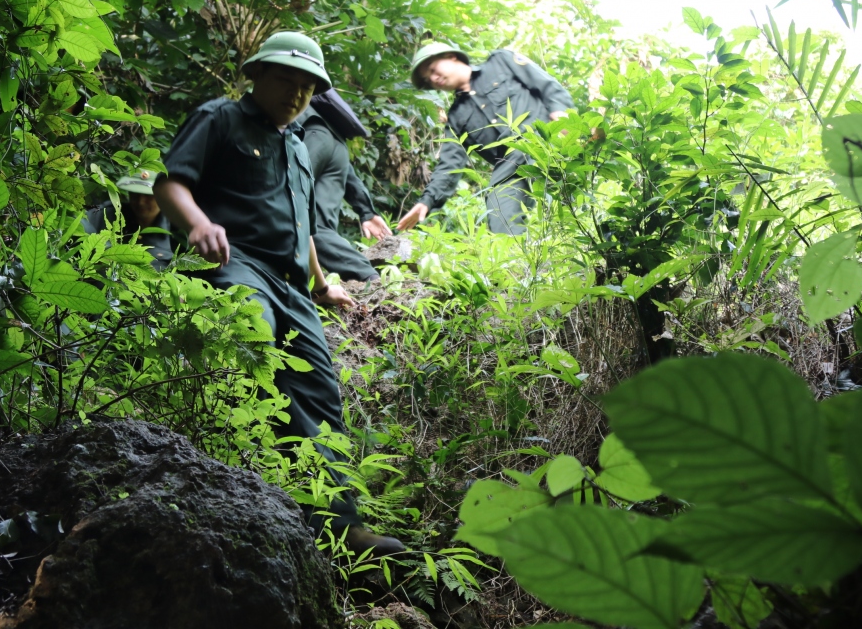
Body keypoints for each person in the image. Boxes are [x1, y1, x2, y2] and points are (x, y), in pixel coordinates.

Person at [153, 31, 405, 556]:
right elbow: (170, 183)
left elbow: (303, 227)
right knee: (250, 331)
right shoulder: (220, 118)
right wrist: (198, 224)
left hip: (294, 286)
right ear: (258, 75)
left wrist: (323, 284)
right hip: (238, 264)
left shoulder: (297, 145)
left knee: (321, 394)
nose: (296, 92)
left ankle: (340, 526)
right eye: (285, 78)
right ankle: (225, 473)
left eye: (307, 85)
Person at [396, 43, 574, 235]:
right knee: (498, 207)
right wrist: (427, 201)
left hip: (548, 139)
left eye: (433, 69)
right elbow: (449, 166)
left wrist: (562, 116)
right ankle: (520, 263)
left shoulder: (500, 62)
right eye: (428, 79)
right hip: (512, 166)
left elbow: (547, 85)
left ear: (451, 56)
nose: (433, 78)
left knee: (577, 207)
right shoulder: (456, 117)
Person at [300, 88, 391, 282]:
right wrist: (367, 211)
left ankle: (368, 278)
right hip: (336, 144)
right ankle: (369, 277)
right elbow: (349, 175)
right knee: (316, 224)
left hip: (313, 134)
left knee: (296, 211)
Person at [83, 172, 173, 271]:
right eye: (135, 194)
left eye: (148, 196)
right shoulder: (106, 215)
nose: (141, 202)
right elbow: (79, 223)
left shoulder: (177, 229)